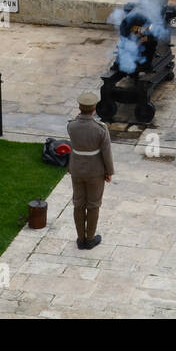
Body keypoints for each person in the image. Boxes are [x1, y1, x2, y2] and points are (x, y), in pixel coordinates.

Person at [66, 91, 114, 250]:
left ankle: (80, 239)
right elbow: (106, 152)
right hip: (95, 171)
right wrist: (109, 171)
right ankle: (90, 238)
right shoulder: (100, 128)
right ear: (94, 109)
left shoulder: (71, 125)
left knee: (78, 203)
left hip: (77, 170)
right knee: (93, 204)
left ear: (80, 107)